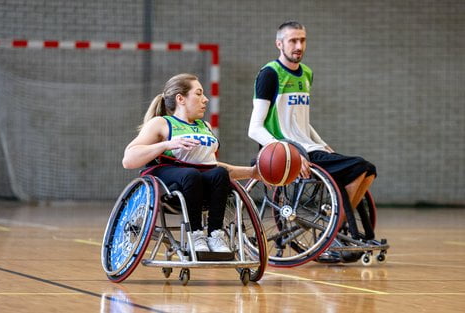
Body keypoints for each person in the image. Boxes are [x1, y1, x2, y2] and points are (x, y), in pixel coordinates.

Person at [248, 21, 377, 259]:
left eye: (302, 40)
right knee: (358, 166)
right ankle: (336, 230)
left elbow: (301, 121)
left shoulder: (307, 73)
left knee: (368, 170)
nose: (298, 45)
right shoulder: (269, 74)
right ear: (279, 44)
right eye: (292, 41)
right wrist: (287, 150)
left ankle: (334, 223)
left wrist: (321, 142)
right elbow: (254, 129)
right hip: (286, 150)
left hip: (309, 146)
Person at [123, 73, 260, 253]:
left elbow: (211, 167)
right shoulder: (162, 123)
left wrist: (252, 172)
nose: (205, 99)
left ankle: (215, 235)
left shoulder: (206, 127)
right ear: (181, 99)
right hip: (171, 182)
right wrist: (167, 144)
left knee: (219, 174)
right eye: (199, 94)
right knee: (191, 174)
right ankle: (195, 234)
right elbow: (129, 159)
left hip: (200, 184)